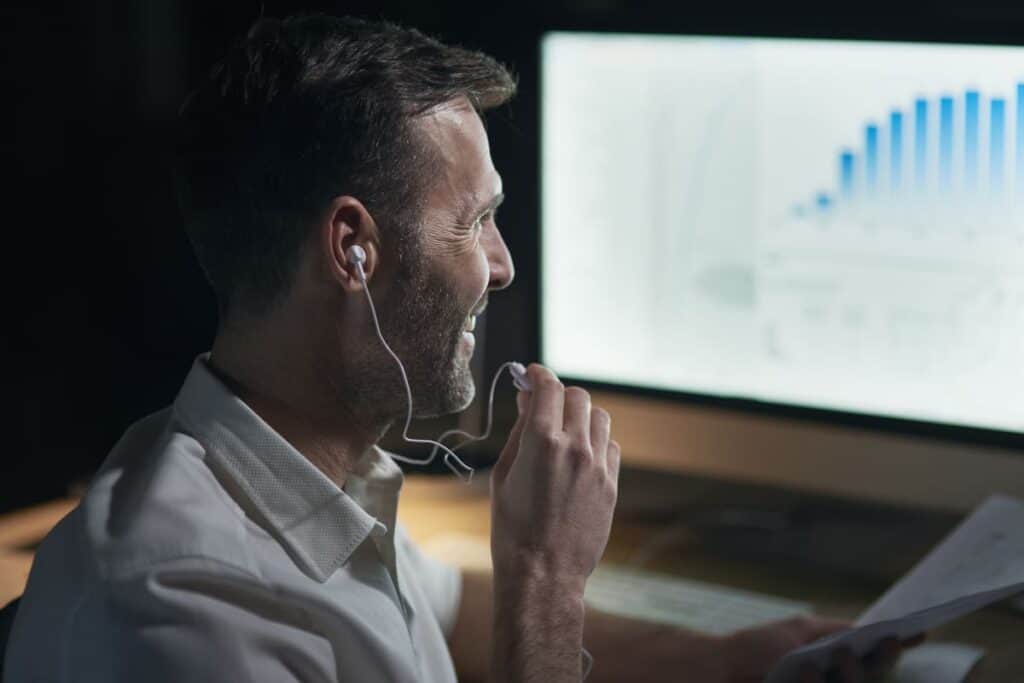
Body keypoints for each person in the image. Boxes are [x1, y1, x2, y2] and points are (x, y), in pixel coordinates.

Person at [4, 14, 918, 683]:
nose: (504, 264)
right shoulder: (188, 616)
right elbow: (507, 612)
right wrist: (547, 579)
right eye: (476, 220)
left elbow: (448, 610)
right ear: (352, 248)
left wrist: (735, 658)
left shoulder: (303, 468)